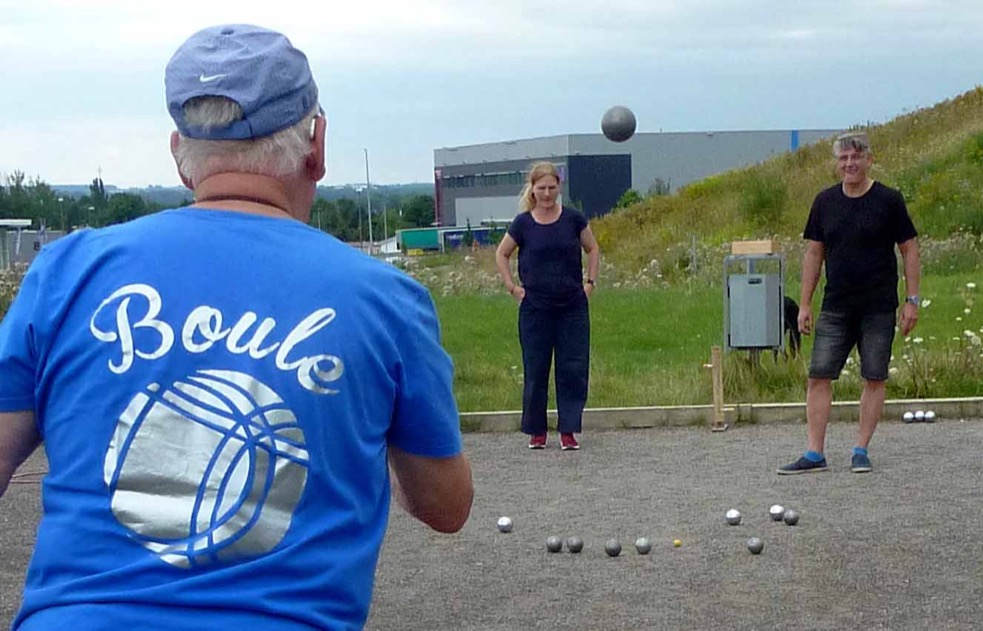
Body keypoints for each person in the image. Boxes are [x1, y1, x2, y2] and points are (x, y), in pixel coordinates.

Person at [0, 24, 472, 630]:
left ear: (179, 154)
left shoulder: (66, 271)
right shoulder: (386, 299)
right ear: (318, 145)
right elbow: (446, 506)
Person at [778, 132, 920, 475]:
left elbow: (910, 248)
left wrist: (911, 299)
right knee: (818, 376)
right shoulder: (824, 202)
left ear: (869, 159)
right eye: (843, 159)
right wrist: (806, 303)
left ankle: (861, 449)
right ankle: (815, 452)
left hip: (878, 305)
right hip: (836, 306)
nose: (849, 164)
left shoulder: (889, 200)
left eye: (856, 158)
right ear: (836, 163)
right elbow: (814, 252)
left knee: (874, 377)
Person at [495, 162, 600, 451]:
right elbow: (502, 254)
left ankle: (568, 430)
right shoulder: (523, 223)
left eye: (551, 187)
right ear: (532, 189)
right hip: (535, 308)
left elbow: (593, 248)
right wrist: (512, 287)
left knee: (573, 368)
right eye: (541, 188)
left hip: (572, 307)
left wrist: (590, 283)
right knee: (536, 369)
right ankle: (536, 431)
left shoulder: (573, 219)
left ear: (559, 187)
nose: (546, 193)